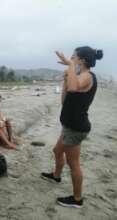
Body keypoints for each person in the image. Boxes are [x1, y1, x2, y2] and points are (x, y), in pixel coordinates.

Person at [41, 47, 103, 208]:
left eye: (73, 56)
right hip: (69, 126)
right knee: (57, 150)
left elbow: (74, 87)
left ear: (81, 60)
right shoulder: (78, 76)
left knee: (73, 164)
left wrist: (69, 66)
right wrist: (66, 78)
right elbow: (65, 100)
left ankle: (77, 199)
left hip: (76, 128)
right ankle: (56, 176)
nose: (70, 58)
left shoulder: (87, 76)